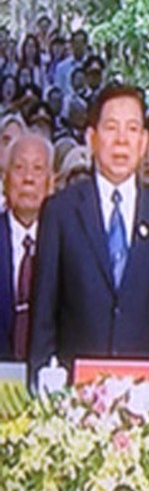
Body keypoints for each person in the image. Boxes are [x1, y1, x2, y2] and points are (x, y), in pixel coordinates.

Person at [28, 85, 149, 390]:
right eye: (111, 128)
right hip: (74, 402)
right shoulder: (60, 212)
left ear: (144, 142)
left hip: (146, 404)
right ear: (91, 138)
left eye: (132, 129)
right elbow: (43, 319)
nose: (121, 140)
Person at [0, 134, 53, 361]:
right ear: (4, 179)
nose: (28, 179)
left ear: (52, 182)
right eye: (19, 168)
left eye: (38, 169)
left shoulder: (68, 240)